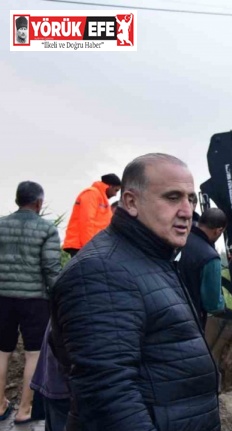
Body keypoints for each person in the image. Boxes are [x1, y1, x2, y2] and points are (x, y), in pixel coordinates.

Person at [50, 154, 220, 430]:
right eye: (172, 197)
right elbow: (108, 396)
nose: (188, 211)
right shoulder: (102, 271)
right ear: (130, 202)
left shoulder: (152, 259)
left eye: (191, 199)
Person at [0, 181, 61, 424]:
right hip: (35, 300)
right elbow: (51, 268)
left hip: (2, 297)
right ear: (38, 203)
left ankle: (0, 404)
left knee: (2, 351)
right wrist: (59, 296)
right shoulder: (46, 229)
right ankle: (25, 409)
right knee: (34, 353)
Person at [178, 207, 227, 329]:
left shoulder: (178, 239)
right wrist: (222, 305)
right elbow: (212, 304)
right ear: (218, 230)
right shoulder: (210, 258)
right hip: (190, 321)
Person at [62, 174, 122, 257]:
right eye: (116, 190)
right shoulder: (92, 193)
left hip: (91, 246)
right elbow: (87, 221)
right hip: (82, 246)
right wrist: (89, 248)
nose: (115, 194)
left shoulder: (101, 197)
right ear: (110, 186)